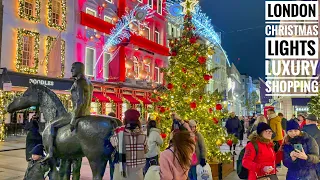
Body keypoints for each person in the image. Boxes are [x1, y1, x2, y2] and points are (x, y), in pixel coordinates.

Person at [43, 62, 93, 161]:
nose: (71, 70)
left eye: (73, 68)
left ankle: (50, 152)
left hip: (76, 113)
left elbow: (80, 100)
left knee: (51, 125)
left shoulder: (79, 82)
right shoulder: (89, 82)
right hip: (87, 112)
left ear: (79, 69)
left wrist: (74, 118)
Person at [111, 109, 147, 180]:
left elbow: (113, 143)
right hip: (138, 172)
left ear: (125, 119)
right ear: (138, 121)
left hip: (122, 170)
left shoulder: (119, 133)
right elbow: (146, 150)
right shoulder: (143, 135)